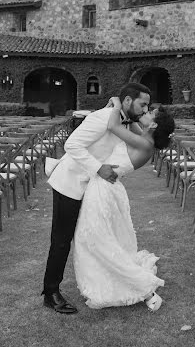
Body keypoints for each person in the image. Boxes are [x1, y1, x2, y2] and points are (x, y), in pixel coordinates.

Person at [42, 82, 152, 314]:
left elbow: (141, 132)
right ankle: (50, 293)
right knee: (61, 240)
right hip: (69, 184)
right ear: (129, 101)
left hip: (91, 188)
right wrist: (98, 168)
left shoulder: (124, 120)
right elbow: (71, 144)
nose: (145, 109)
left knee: (89, 238)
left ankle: (99, 283)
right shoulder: (103, 118)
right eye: (143, 104)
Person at [73, 97, 175, 312]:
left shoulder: (145, 143)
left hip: (104, 189)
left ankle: (145, 290)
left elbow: (113, 126)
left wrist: (117, 105)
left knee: (97, 238)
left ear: (154, 124)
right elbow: (134, 123)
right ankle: (108, 278)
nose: (145, 112)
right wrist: (133, 112)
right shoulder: (143, 136)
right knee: (101, 237)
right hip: (108, 186)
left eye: (150, 113)